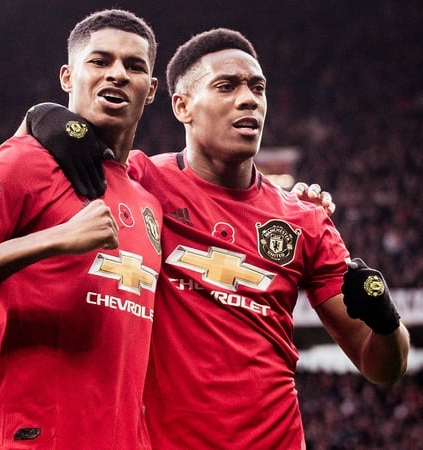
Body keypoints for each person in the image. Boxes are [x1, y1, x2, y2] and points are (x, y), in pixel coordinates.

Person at [26, 28, 410, 449]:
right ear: (182, 106)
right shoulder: (138, 181)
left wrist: (387, 323)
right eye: (226, 86)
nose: (248, 99)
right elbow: (30, 173)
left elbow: (382, 368)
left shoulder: (304, 219)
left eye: (257, 88)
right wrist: (40, 117)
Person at [0, 9, 162, 449]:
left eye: (134, 66)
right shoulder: (23, 161)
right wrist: (54, 239)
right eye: (100, 61)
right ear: (68, 76)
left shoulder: (149, 199)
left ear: (152, 90)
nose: (117, 74)